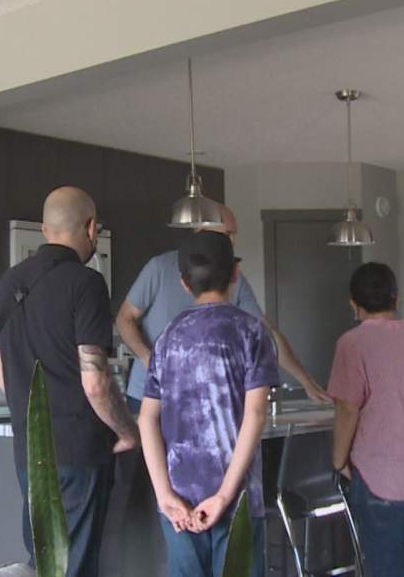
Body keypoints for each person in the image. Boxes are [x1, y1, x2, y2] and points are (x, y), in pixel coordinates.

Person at [0, 186, 138, 577]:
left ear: (44, 229)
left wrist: (34, 413)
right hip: (79, 450)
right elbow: (96, 380)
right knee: (75, 566)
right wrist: (125, 431)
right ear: (91, 228)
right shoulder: (86, 283)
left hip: (30, 453)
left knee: (44, 562)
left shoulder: (9, 283)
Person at [138, 231, 277, 577]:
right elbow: (256, 415)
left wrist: (164, 496)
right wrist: (225, 496)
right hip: (238, 500)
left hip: (179, 504)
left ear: (184, 283)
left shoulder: (167, 337)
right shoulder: (252, 332)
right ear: (235, 274)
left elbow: (146, 420)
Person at [117, 204, 329, 413]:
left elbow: (268, 332)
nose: (233, 241)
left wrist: (306, 381)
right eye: (226, 233)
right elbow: (124, 319)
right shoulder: (159, 268)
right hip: (150, 395)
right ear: (202, 233)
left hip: (204, 399)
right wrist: (149, 359)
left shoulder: (234, 278)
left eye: (233, 234)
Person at [329, 262, 404, 577]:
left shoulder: (352, 343)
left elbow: (347, 409)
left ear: (353, 305)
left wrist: (339, 459)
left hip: (379, 476)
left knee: (385, 567)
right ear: (397, 300)